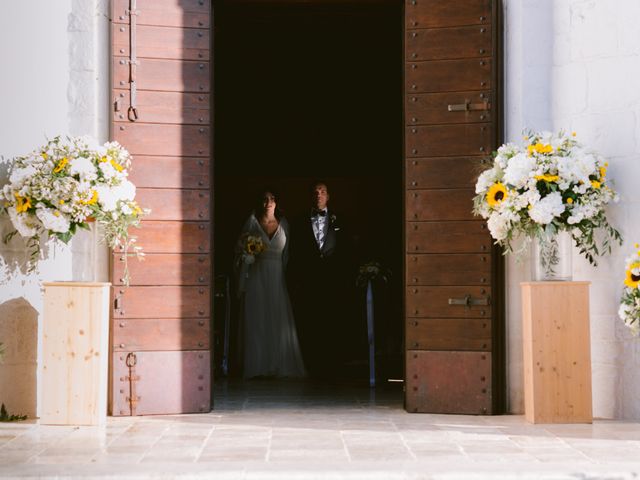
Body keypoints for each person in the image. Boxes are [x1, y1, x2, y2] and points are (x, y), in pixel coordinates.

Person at [235, 189, 306, 378]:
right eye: (265, 199)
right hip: (257, 274)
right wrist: (247, 257)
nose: (268, 202)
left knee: (277, 318)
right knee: (258, 318)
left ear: (277, 202)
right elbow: (240, 249)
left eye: (272, 198)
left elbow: (288, 254)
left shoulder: (285, 225)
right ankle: (258, 365)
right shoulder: (252, 222)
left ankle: (277, 364)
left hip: (277, 276)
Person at [289, 181, 354, 378]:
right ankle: (312, 364)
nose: (319, 195)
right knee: (311, 321)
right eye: (315, 192)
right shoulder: (299, 220)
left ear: (328, 196)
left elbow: (346, 250)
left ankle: (333, 365)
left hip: (333, 280)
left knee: (332, 320)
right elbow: (295, 251)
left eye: (322, 192)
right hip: (309, 280)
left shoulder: (339, 219)